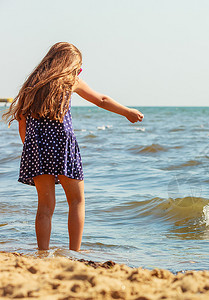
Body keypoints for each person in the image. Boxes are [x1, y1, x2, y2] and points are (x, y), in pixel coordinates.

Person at [2, 42, 144, 251]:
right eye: (78, 67)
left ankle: (42, 252)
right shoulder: (70, 81)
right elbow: (101, 100)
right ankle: (74, 252)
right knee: (76, 201)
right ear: (69, 65)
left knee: (45, 207)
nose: (79, 71)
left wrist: (30, 147)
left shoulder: (32, 84)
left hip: (37, 148)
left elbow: (22, 120)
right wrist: (126, 111)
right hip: (63, 145)